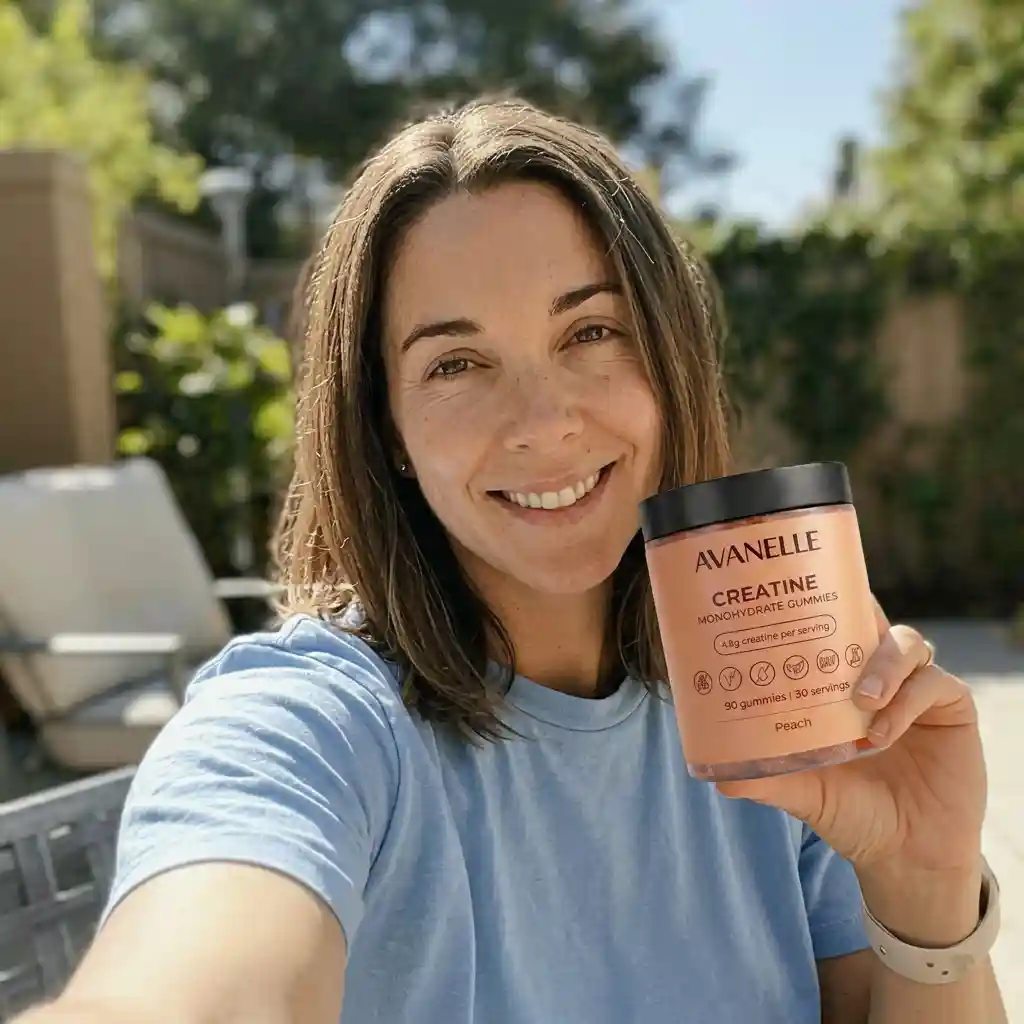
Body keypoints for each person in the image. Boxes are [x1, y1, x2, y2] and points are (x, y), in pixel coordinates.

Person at [21, 97, 1005, 1024]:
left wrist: (924, 887)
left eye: (591, 332)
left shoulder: (771, 709)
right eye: (455, 363)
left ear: (669, 362)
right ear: (388, 428)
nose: (542, 422)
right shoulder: (308, 723)